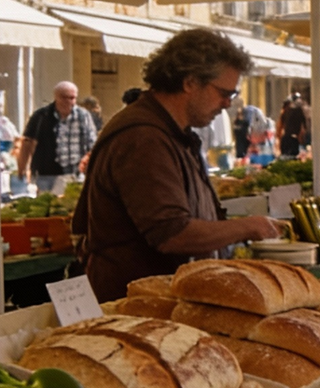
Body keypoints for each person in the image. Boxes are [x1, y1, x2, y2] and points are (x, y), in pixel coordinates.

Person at [74, 29, 283, 301]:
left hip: (161, 299)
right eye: (223, 93)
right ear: (190, 82)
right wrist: (249, 227)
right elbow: (171, 234)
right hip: (136, 304)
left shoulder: (170, 131)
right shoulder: (144, 137)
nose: (227, 104)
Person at [18, 82, 98, 196]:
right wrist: (22, 168)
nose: (69, 101)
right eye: (64, 97)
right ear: (56, 97)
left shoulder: (83, 116)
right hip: (45, 173)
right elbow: (27, 143)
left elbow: (93, 143)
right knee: (47, 206)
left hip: (73, 173)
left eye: (72, 98)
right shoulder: (41, 116)